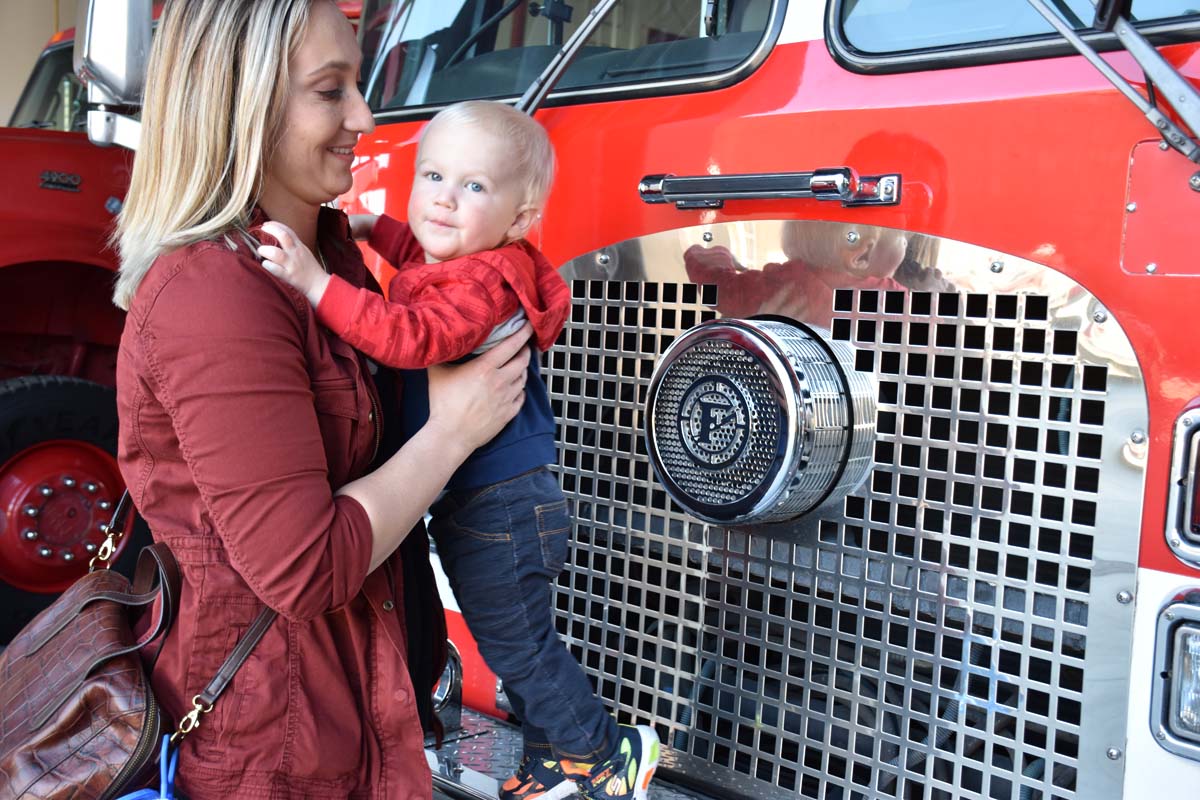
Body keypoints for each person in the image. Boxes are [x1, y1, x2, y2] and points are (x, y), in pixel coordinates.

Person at [112, 2, 533, 798]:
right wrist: (454, 432)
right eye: (330, 90)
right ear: (242, 110)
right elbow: (303, 568)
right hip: (274, 751)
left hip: (346, 723)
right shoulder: (215, 294)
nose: (364, 118)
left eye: (359, 85)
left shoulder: (327, 253)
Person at [256, 100, 661, 800]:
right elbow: (417, 255)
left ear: (519, 218)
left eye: (474, 187)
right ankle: (550, 761)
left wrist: (315, 283)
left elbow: (411, 336)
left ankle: (602, 754)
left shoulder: (485, 282)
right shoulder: (468, 259)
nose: (443, 197)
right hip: (491, 501)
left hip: (498, 505)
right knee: (512, 640)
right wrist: (369, 228)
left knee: (518, 646)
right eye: (433, 175)